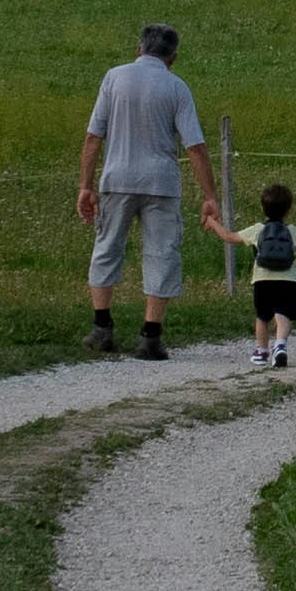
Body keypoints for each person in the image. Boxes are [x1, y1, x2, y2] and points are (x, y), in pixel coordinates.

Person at [79, 22, 227, 360]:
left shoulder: (114, 78)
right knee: (162, 253)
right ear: (173, 57)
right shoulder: (177, 87)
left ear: (138, 48)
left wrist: (86, 186)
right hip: (161, 182)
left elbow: (93, 137)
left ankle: (102, 326)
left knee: (107, 248)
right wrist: (209, 196)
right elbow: (195, 147)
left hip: (117, 178)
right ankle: (150, 334)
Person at [223, 179, 296, 367]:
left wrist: (212, 223)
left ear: (263, 208)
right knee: (283, 314)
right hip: (289, 280)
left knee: (262, 316)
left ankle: (261, 351)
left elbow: (230, 237)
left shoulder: (258, 230)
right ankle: (281, 344)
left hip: (262, 280)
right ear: (288, 210)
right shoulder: (292, 231)